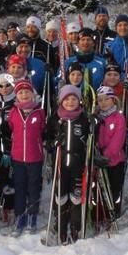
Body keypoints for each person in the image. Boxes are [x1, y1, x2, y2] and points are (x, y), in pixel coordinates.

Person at [46, 85, 91, 244]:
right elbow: (47, 141)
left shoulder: (84, 119)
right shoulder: (55, 119)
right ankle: (61, 225)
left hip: (77, 165)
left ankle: (75, 226)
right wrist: (53, 143)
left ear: (79, 101)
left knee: (76, 197)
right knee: (61, 197)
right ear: (61, 101)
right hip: (60, 165)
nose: (70, 102)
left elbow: (90, 141)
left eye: (74, 99)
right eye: (67, 99)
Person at [6, 79, 46, 233]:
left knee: (34, 188)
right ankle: (20, 217)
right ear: (17, 95)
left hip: (35, 158)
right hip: (17, 158)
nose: (24, 95)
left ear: (32, 94)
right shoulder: (13, 113)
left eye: (27, 92)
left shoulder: (39, 112)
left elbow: (43, 130)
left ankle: (32, 216)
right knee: (20, 187)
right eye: (20, 92)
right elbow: (10, 129)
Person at [94, 86, 127, 220]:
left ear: (113, 100)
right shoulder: (96, 118)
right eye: (100, 100)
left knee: (114, 189)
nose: (103, 102)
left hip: (114, 161)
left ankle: (113, 214)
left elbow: (118, 140)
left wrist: (106, 155)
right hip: (98, 161)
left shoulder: (119, 118)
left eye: (106, 99)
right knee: (99, 189)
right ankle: (99, 215)